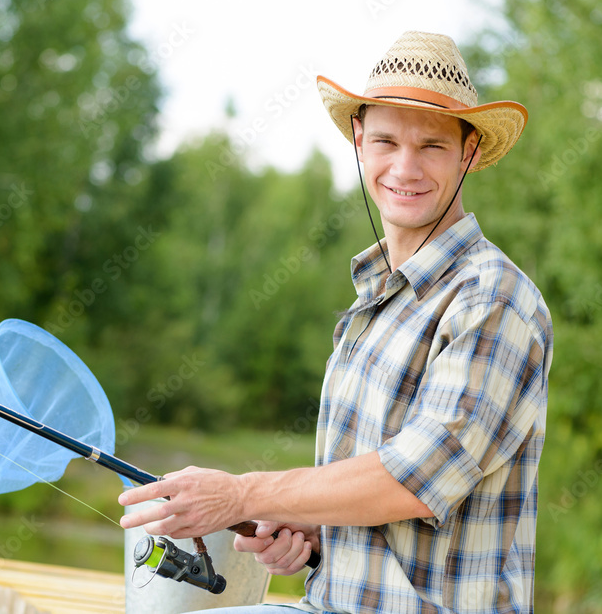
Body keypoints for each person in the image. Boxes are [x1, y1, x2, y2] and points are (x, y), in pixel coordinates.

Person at [119, 30, 553, 613]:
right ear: (358, 141)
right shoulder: (373, 301)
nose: (405, 166)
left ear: (469, 152)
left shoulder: (493, 300)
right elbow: (377, 504)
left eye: (432, 146)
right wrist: (309, 530)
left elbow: (412, 480)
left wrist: (240, 494)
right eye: (385, 141)